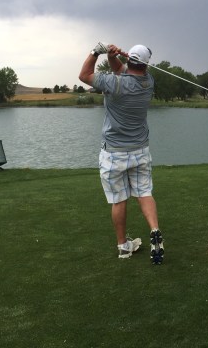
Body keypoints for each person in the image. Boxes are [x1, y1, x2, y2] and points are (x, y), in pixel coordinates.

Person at [79, 42, 164, 264]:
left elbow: (84, 75)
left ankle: (123, 247)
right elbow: (122, 70)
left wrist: (96, 52)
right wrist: (112, 56)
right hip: (140, 150)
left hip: (113, 153)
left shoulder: (114, 83)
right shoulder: (148, 82)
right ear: (145, 65)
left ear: (129, 60)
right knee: (144, 192)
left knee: (119, 201)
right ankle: (154, 229)